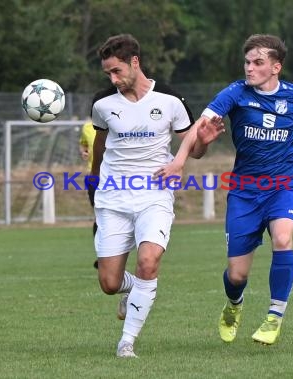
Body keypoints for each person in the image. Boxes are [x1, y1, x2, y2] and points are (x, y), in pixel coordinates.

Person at [159, 34, 293, 346]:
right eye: (247, 62)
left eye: (258, 63)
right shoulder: (235, 93)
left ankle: (274, 316)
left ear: (275, 67)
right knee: (237, 275)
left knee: (283, 238)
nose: (249, 68)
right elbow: (199, 126)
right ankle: (234, 305)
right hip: (244, 191)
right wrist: (181, 160)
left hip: (283, 185)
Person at [90, 34, 216, 358]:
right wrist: (93, 185)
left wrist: (203, 141)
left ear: (135, 62)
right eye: (108, 74)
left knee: (148, 262)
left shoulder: (170, 99)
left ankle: (126, 342)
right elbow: (100, 148)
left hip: (154, 194)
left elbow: (195, 150)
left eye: (117, 71)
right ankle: (133, 288)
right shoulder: (103, 104)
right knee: (108, 282)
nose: (113, 79)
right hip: (113, 197)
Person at [79, 119, 100, 269]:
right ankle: (102, 255)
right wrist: (84, 151)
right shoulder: (87, 126)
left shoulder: (119, 121)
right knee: (100, 216)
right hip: (94, 177)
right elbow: (84, 144)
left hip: (117, 177)